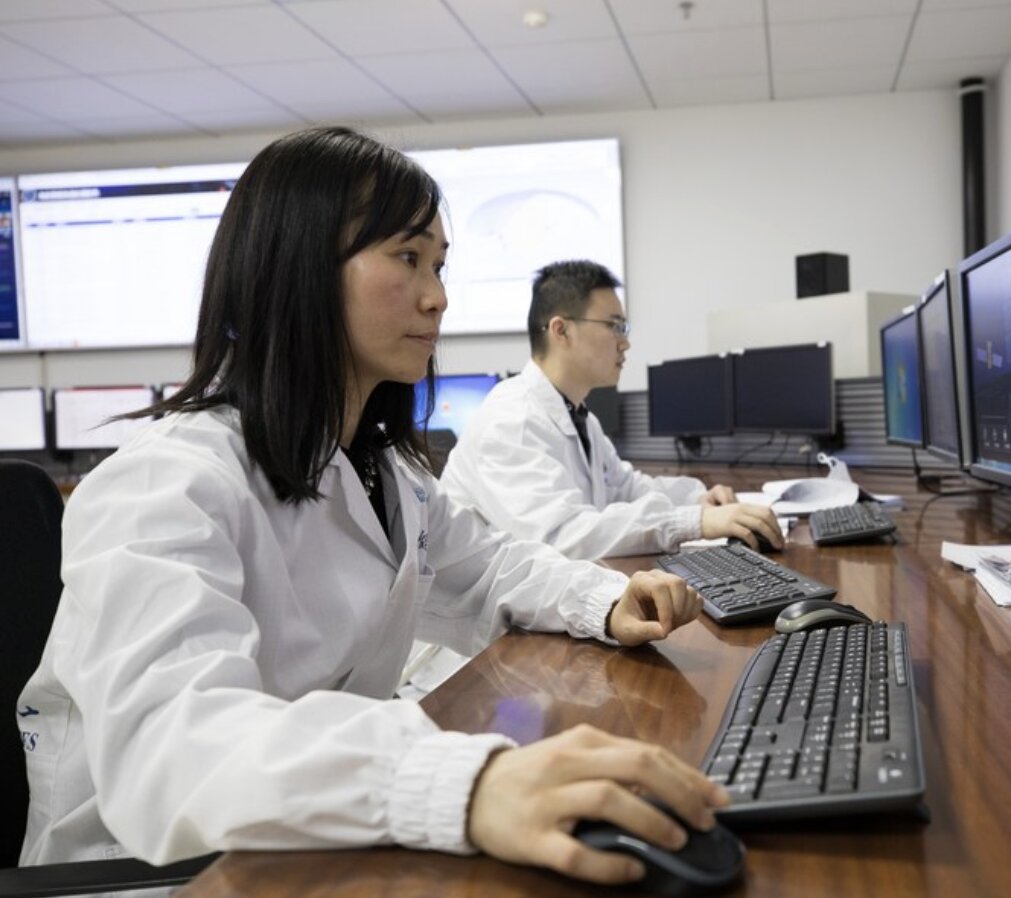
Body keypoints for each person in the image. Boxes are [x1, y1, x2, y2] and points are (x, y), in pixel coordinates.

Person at [17, 127, 727, 887]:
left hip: (312, 826)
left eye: (441, 265)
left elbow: (489, 568)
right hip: (157, 866)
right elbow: (175, 746)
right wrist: (461, 784)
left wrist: (609, 598)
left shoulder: (384, 469)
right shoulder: (164, 482)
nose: (439, 295)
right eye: (408, 257)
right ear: (299, 270)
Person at [439, 259, 784, 560]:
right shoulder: (512, 419)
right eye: (614, 326)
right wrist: (693, 522)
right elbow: (561, 537)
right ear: (561, 330)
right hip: (482, 630)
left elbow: (626, 487)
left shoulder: (580, 418)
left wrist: (699, 499)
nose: (625, 341)